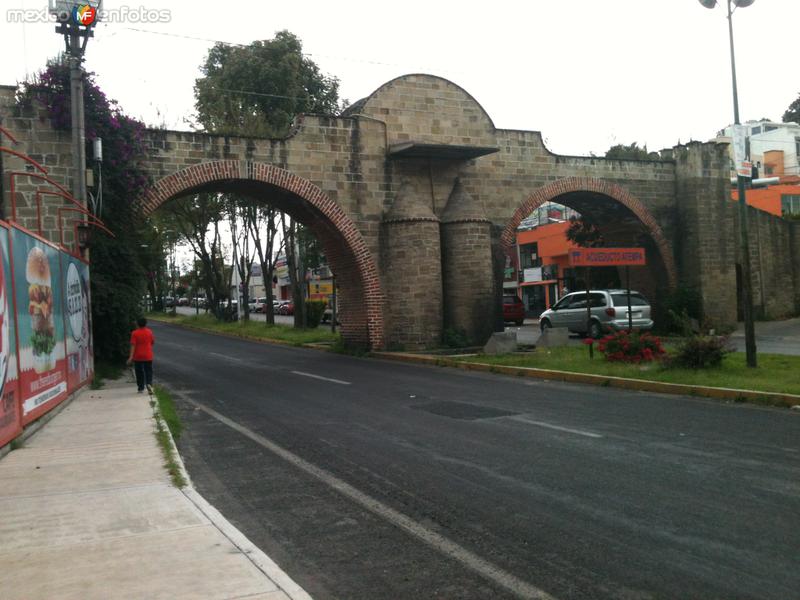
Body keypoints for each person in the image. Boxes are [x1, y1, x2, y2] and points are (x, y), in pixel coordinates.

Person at [127, 317, 155, 394]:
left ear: (137, 324)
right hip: (148, 355)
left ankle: (140, 388)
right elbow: (152, 342)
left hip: (138, 356)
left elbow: (133, 345)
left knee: (139, 372)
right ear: (145, 324)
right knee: (148, 371)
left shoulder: (134, 333)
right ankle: (149, 384)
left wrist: (130, 357)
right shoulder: (149, 332)